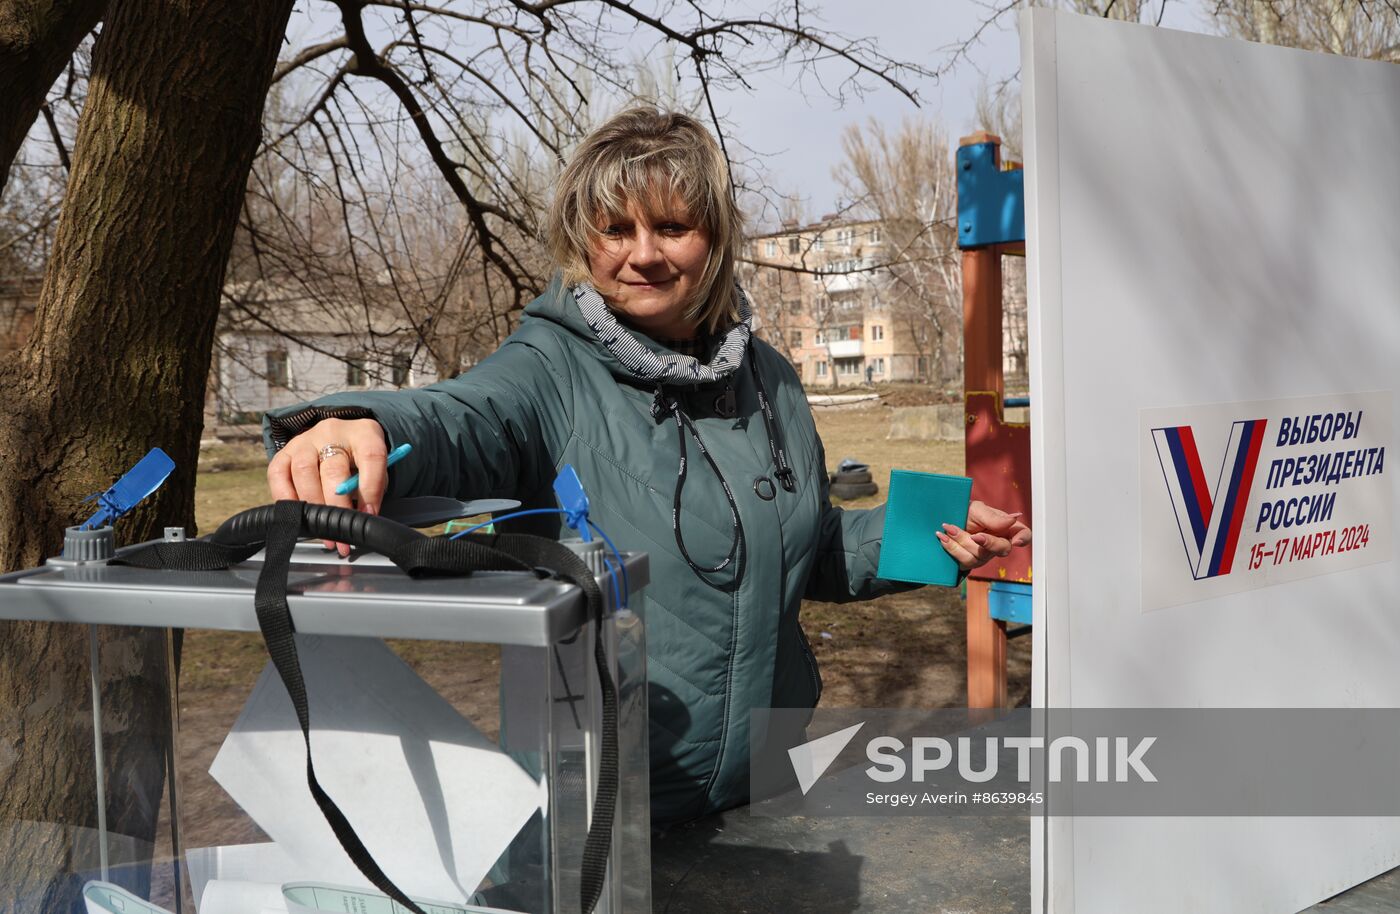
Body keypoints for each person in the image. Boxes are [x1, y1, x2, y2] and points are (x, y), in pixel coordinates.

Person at [263, 105, 1031, 825]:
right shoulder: (549, 365)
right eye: (615, 228)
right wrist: (355, 425)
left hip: (769, 783)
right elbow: (461, 418)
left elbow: (805, 553)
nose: (642, 253)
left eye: (671, 226)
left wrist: (924, 532)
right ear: (583, 239)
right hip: (610, 806)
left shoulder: (770, 378)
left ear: (716, 238)